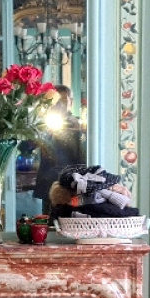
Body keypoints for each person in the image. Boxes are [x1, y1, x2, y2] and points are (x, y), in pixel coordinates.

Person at [34, 86, 87, 216]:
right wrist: (40, 130)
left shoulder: (77, 125)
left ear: (71, 102)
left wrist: (80, 132)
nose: (60, 105)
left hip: (71, 184)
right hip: (48, 182)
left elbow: (82, 157)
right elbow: (25, 147)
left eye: (63, 100)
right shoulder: (43, 124)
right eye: (56, 101)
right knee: (48, 218)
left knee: (70, 218)